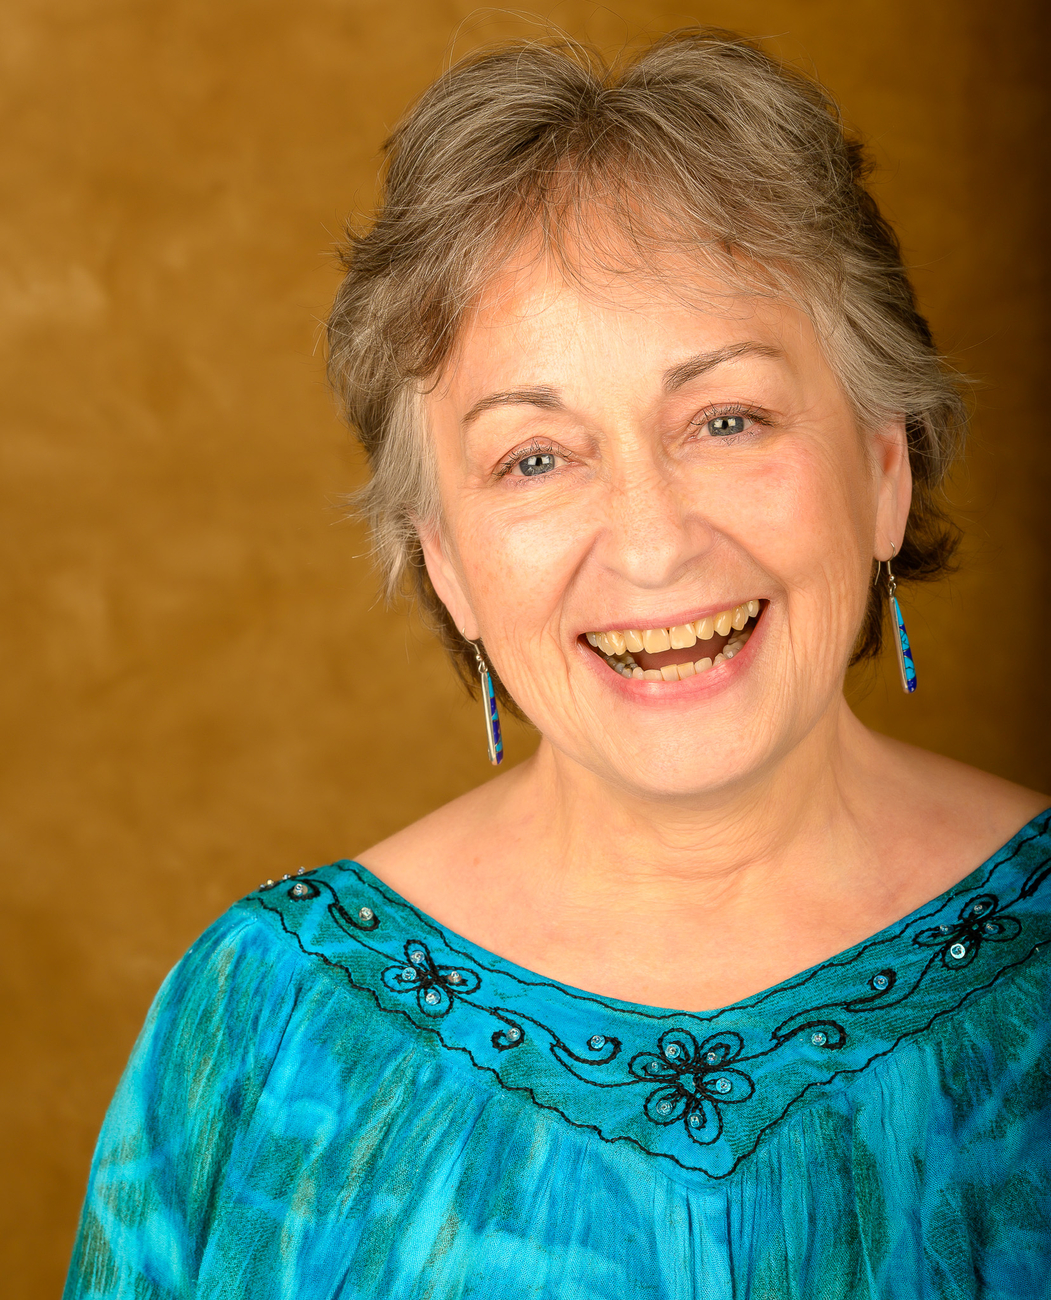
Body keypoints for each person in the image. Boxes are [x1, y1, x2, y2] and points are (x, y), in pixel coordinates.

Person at [64, 28, 1050, 1299]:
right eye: (534, 457)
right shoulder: (259, 1024)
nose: (650, 542)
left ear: (882, 466)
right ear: (446, 561)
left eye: (726, 419)